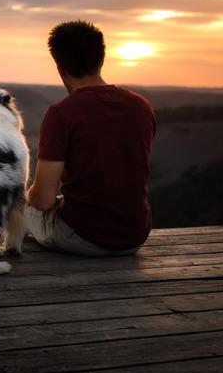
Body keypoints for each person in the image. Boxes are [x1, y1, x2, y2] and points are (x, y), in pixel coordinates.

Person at [25, 20, 157, 256]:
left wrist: (28, 195)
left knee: (22, 204)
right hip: (135, 237)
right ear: (101, 60)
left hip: (84, 237)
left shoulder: (61, 113)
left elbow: (43, 200)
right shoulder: (141, 106)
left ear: (60, 66)